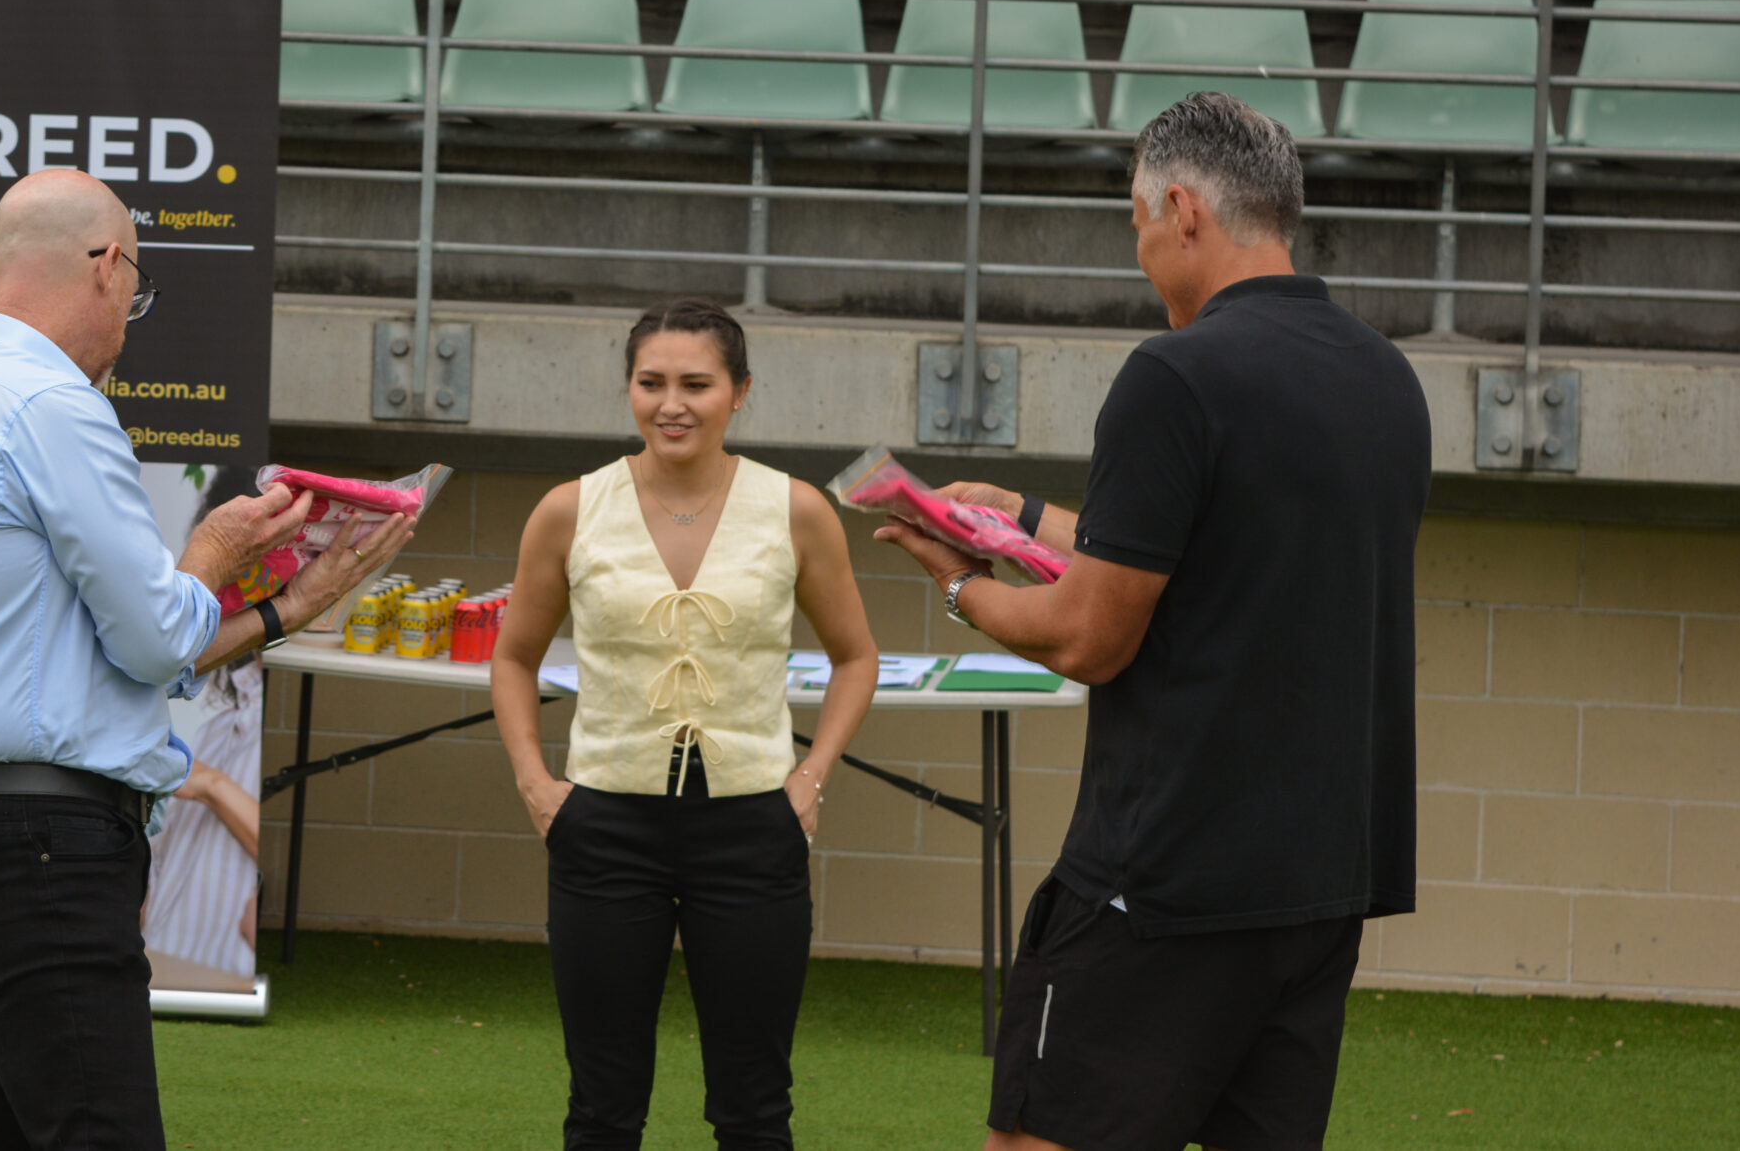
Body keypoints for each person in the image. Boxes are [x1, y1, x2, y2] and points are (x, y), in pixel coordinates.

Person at [874, 92, 1429, 1151]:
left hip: (1166, 877)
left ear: (1180, 208)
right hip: (1319, 885)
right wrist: (1031, 518)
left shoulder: (1173, 374)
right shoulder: (1384, 377)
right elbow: (1228, 558)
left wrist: (956, 581)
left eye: (1135, 222)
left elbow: (1090, 638)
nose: (1137, 250)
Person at [0, 165, 416, 1151]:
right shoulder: (49, 404)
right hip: (38, 843)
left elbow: (121, 657)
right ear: (108, 266)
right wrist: (213, 553)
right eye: (137, 287)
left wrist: (288, 612)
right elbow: (160, 634)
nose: (132, 312)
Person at [491, 297, 879, 1151]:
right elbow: (513, 656)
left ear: (740, 392)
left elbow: (857, 657)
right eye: (651, 381)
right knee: (602, 1106)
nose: (672, 402)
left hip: (752, 828)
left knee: (753, 1109)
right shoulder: (570, 508)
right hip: (601, 825)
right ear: (628, 388)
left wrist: (806, 783)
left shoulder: (796, 508)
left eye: (697, 383)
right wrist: (537, 784)